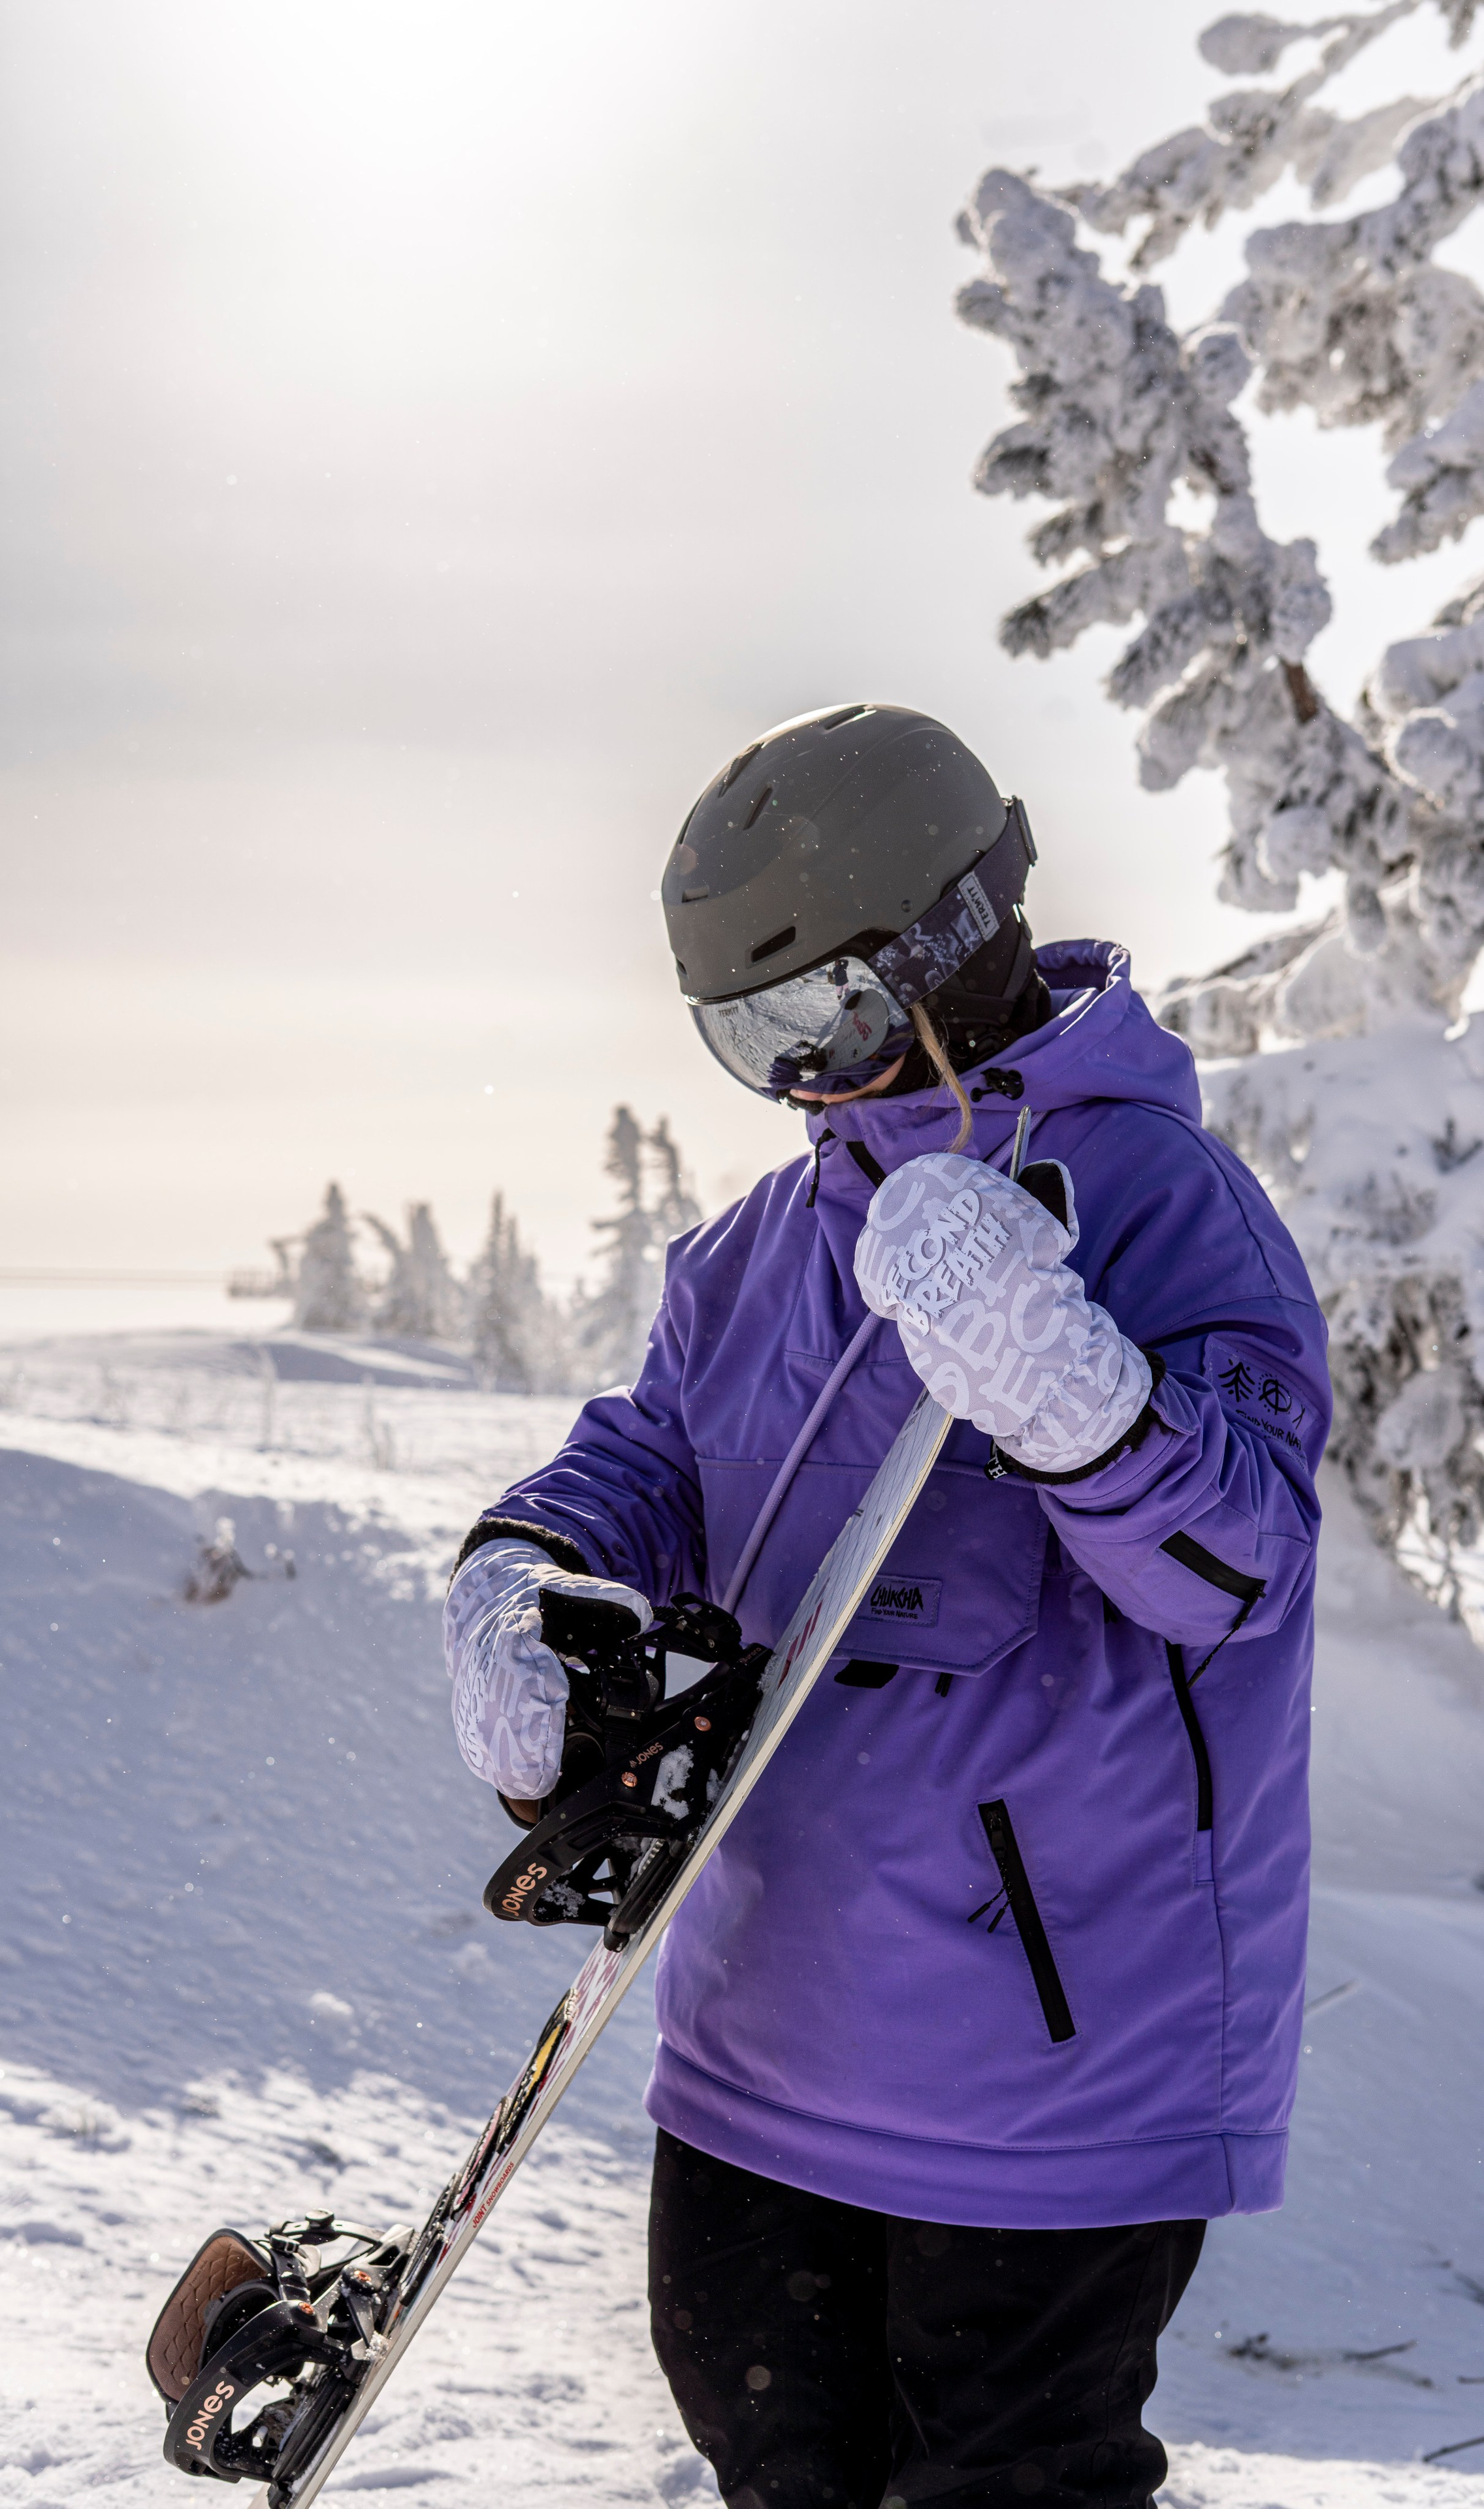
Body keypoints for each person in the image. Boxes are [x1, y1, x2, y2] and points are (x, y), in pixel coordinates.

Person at [444, 704, 1329, 2509]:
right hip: (756, 2053)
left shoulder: (1170, 1214)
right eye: (741, 1038)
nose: (798, 1083)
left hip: (1050, 2084)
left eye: (819, 1016)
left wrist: (1075, 1395)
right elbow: (655, 1471)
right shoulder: (760, 1251)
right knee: (777, 2470)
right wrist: (521, 1582)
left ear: (947, 940)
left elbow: (1234, 1571)